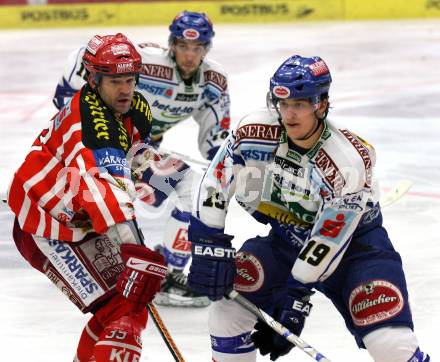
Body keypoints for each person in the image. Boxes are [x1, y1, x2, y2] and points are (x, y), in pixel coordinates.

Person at [187, 55, 430, 362]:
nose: (289, 115)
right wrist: (208, 240)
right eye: (282, 103)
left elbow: (328, 239)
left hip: (357, 250)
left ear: (321, 105)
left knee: (390, 345)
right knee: (228, 311)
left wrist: (295, 296)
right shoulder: (253, 131)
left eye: (299, 105)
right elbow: (216, 179)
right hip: (286, 241)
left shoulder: (348, 160)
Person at [7, 33, 168, 362]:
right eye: (114, 82)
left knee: (124, 305)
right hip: (47, 227)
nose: (124, 89)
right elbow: (104, 190)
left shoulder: (134, 108)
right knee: (125, 306)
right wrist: (135, 251)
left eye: (129, 79)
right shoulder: (91, 125)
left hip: (84, 222)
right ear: (93, 80)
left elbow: (139, 159)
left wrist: (184, 192)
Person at [53, 10, 230, 308]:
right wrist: (68, 102)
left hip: (136, 152)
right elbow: (84, 55)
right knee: (101, 210)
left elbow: (216, 135)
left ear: (207, 49)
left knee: (196, 193)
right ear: (171, 44)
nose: (189, 56)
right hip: (98, 143)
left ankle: (170, 271)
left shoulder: (213, 80)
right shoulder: (146, 61)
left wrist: (223, 167)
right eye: (183, 47)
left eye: (197, 48)